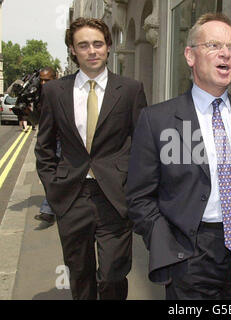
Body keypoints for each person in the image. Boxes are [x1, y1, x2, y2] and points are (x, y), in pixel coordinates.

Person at [126, 12, 231, 300]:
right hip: (190, 255)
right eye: (213, 45)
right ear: (190, 55)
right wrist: (167, 246)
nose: (225, 53)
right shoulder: (157, 119)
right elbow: (139, 197)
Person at [35, 17, 147, 300]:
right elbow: (45, 146)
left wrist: (132, 187)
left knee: (112, 274)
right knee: (80, 274)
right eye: (83, 45)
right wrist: (54, 188)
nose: (92, 50)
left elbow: (143, 145)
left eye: (98, 44)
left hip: (114, 197)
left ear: (108, 47)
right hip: (72, 196)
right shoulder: (54, 91)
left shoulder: (131, 90)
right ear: (73, 50)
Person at [34, 67, 58, 224]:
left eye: (47, 80)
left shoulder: (61, 93)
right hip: (47, 141)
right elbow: (38, 119)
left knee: (57, 175)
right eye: (41, 80)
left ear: (55, 78)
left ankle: (48, 210)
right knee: (49, 173)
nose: (43, 83)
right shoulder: (39, 94)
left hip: (62, 141)